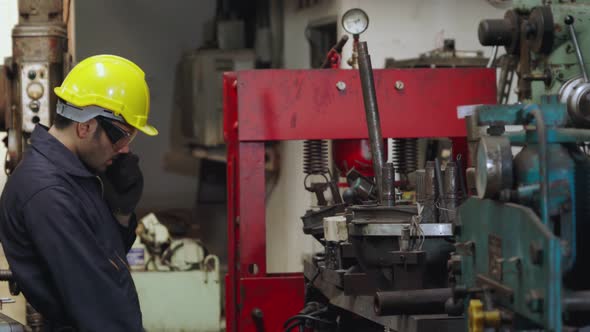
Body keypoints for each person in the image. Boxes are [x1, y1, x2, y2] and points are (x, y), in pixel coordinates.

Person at [0, 54, 158, 331]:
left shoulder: (75, 175)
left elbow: (105, 258)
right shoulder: (48, 193)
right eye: (123, 136)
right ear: (85, 127)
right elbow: (98, 305)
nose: (126, 149)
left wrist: (121, 213)